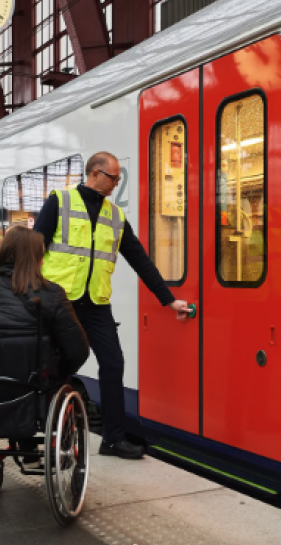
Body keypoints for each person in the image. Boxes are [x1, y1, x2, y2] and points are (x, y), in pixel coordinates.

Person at [35, 151, 190, 460]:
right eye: (113, 178)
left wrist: (168, 299)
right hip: (57, 300)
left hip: (95, 303)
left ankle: (113, 439)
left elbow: (139, 259)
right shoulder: (60, 201)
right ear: (95, 174)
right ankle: (41, 430)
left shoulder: (115, 216)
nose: (117, 183)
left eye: (119, 178)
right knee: (49, 365)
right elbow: (33, 247)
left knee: (113, 363)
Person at [0, 226, 89, 468]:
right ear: (38, 258)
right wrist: (58, 374)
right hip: (33, 390)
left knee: (14, 377)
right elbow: (79, 350)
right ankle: (54, 452)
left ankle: (27, 451)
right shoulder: (51, 294)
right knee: (44, 383)